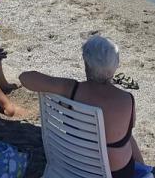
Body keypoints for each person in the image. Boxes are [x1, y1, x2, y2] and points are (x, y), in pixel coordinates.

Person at [19, 36, 145, 178]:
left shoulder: (71, 89)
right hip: (115, 173)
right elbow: (129, 130)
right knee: (127, 136)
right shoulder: (126, 99)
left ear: (86, 64)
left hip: (75, 164)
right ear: (115, 65)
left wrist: (62, 85)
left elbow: (25, 78)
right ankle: (147, 169)